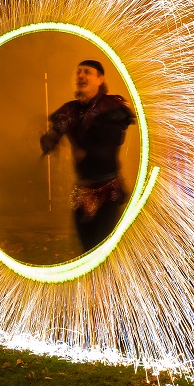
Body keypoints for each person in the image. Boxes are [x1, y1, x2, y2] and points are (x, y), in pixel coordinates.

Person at [39, 59, 135, 252]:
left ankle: (106, 280)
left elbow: (113, 141)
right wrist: (49, 140)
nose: (81, 76)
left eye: (87, 72)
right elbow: (57, 130)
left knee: (102, 248)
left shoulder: (112, 107)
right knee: (87, 248)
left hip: (108, 191)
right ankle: (93, 281)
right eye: (79, 72)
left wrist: (87, 150)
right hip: (82, 192)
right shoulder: (70, 110)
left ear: (100, 79)